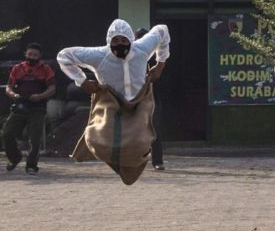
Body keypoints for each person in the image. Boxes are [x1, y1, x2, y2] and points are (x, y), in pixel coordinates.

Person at [57, 19, 170, 184]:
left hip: (139, 100)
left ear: (131, 40)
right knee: (95, 139)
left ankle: (145, 163)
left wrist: (160, 64)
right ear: (109, 42)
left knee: (140, 141)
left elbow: (162, 30)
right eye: (115, 41)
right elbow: (64, 56)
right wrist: (82, 81)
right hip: (111, 101)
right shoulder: (99, 55)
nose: (120, 45)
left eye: (124, 40)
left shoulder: (142, 48)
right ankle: (117, 164)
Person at [2, 43, 56, 175]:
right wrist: (14, 95)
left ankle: (31, 165)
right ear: (25, 54)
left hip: (37, 108)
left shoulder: (46, 69)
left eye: (35, 55)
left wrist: (41, 96)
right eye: (30, 54)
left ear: (40, 56)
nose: (32, 57)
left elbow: (52, 88)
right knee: (7, 133)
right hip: (19, 106)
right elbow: (9, 87)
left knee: (35, 139)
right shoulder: (17, 68)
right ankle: (15, 158)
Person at [135, 28, 164, 171]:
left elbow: (158, 76)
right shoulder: (131, 57)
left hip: (153, 99)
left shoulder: (157, 57)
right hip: (136, 100)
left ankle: (157, 161)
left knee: (155, 130)